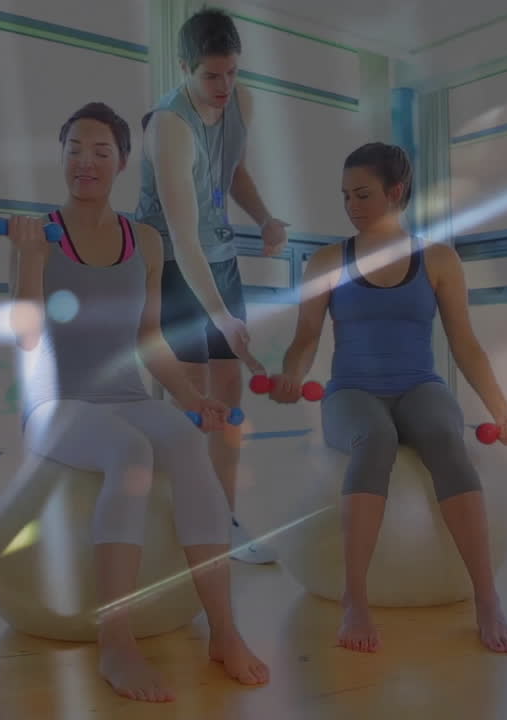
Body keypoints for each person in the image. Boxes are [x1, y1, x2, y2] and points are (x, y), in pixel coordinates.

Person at [5, 101, 270, 703]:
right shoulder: (38, 233)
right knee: (130, 454)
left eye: (101, 151)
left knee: (187, 444)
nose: (85, 162)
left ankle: (224, 631)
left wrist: (191, 397)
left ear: (123, 162)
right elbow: (24, 337)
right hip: (56, 403)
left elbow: (150, 342)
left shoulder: (144, 240)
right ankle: (116, 641)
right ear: (62, 156)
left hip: (125, 394)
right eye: (74, 148)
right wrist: (28, 259)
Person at [271, 142, 507, 655]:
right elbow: (305, 340)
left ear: (397, 191)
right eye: (345, 196)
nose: (352, 206)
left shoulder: (437, 259)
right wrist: (291, 376)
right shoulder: (327, 260)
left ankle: (488, 600)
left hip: (418, 385)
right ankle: (356, 602)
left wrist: (504, 412)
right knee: (377, 440)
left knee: (444, 438)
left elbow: (465, 344)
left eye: (363, 194)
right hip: (352, 392)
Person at [135, 7, 289, 564]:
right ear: (184, 68)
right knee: (188, 394)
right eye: (211, 77)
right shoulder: (168, 128)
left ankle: (221, 519)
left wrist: (266, 218)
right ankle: (172, 522)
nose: (224, 87)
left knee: (230, 391)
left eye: (232, 73)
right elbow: (181, 237)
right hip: (172, 262)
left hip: (218, 255)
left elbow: (230, 172)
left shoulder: (239, 102)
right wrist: (222, 315)